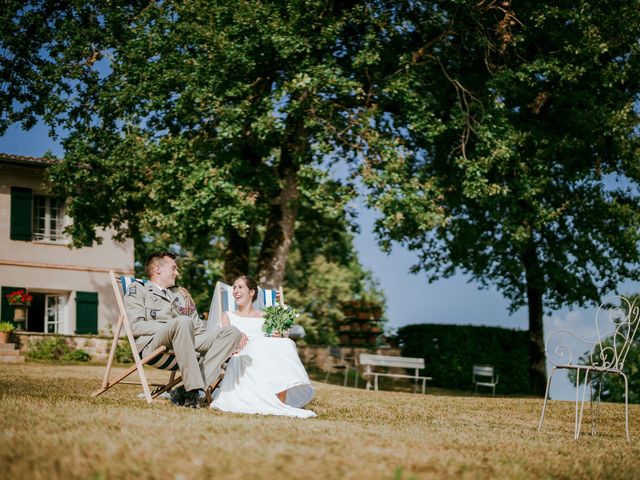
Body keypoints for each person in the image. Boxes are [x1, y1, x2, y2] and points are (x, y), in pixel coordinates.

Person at [124, 251, 246, 408]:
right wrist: (172, 326)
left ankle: (186, 390)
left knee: (232, 333)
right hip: (154, 345)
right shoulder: (138, 289)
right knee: (182, 322)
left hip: (186, 343)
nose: (177, 273)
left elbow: (198, 330)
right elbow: (136, 326)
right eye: (173, 268)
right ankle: (193, 388)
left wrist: (208, 340)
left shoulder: (181, 294)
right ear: (157, 268)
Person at [210, 275, 316, 418]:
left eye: (240, 287)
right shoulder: (228, 316)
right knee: (258, 343)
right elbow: (224, 341)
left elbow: (274, 337)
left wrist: (279, 335)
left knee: (286, 343)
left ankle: (281, 401)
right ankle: (276, 401)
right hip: (242, 356)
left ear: (252, 292)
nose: (235, 291)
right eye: (234, 287)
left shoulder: (265, 316)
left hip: (264, 356)